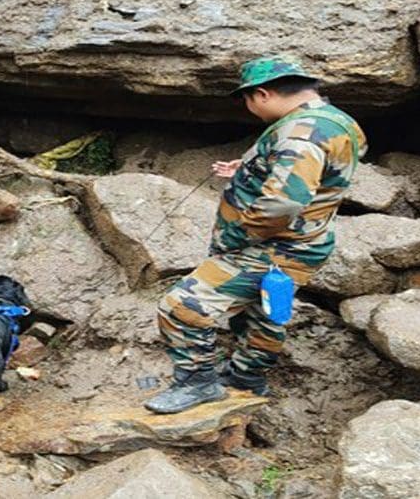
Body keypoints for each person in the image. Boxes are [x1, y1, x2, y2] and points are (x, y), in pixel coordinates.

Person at [144, 56, 367, 415]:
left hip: (268, 246)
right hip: (304, 245)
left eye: (247, 100)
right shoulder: (336, 121)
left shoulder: (300, 132)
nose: (249, 108)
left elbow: (282, 204)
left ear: (261, 94)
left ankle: (197, 384)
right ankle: (247, 378)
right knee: (261, 312)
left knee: (180, 307)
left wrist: (237, 236)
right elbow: (317, 174)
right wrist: (250, 168)